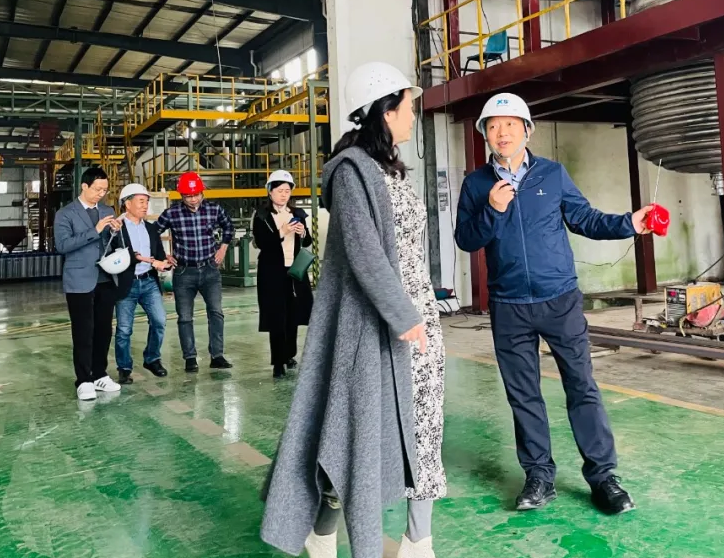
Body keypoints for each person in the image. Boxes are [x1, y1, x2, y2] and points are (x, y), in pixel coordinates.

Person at [262, 62, 446, 558]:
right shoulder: (351, 172)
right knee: (357, 439)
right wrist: (403, 316)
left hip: (416, 321)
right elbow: (365, 252)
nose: (414, 116)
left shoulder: (392, 169)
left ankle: (419, 541)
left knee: (424, 429)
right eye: (409, 106)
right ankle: (322, 530)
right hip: (380, 326)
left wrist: (419, 314)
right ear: (386, 111)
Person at [454, 92, 651, 516]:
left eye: (511, 124)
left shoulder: (553, 174)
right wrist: (492, 210)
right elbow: (466, 239)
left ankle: (603, 478)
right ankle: (539, 476)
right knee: (523, 394)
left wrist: (628, 224)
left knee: (582, 387)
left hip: (559, 300)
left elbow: (585, 219)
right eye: (493, 126)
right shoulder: (476, 184)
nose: (502, 133)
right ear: (485, 134)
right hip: (508, 304)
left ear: (527, 130)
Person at [54, 165, 124, 401]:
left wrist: (115, 232)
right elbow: (63, 245)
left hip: (106, 278)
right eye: (97, 189)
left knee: (104, 330)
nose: (101, 194)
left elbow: (112, 244)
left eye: (105, 190)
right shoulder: (65, 214)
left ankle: (99, 374)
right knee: (83, 332)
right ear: (84, 186)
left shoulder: (107, 210)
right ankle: (83, 380)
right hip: (79, 280)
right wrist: (95, 230)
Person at [156, 172, 235, 373]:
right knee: (185, 317)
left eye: (196, 195)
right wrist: (164, 255)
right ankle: (190, 358)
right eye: (188, 196)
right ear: (181, 195)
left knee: (216, 312)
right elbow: (152, 233)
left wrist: (223, 248)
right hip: (184, 272)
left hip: (210, 270)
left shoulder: (214, 210)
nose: (192, 199)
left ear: (202, 192)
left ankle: (217, 356)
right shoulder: (172, 213)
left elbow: (229, 227)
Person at [251, 169, 315, 378]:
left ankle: (289, 355)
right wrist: (282, 231)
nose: (283, 195)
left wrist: (302, 233)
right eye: (279, 191)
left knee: (293, 315)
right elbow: (262, 243)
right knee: (276, 317)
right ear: (270, 192)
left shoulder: (297, 214)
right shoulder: (262, 215)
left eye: (287, 191)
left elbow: (307, 241)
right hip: (272, 273)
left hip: (294, 272)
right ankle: (278, 362)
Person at [113, 183, 171, 385]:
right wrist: (150, 261)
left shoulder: (150, 228)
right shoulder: (117, 229)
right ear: (127, 204)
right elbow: (119, 255)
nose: (145, 206)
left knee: (159, 321)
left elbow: (159, 254)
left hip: (148, 282)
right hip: (127, 284)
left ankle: (152, 358)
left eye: (146, 202)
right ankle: (124, 367)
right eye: (141, 202)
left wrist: (165, 262)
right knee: (124, 329)